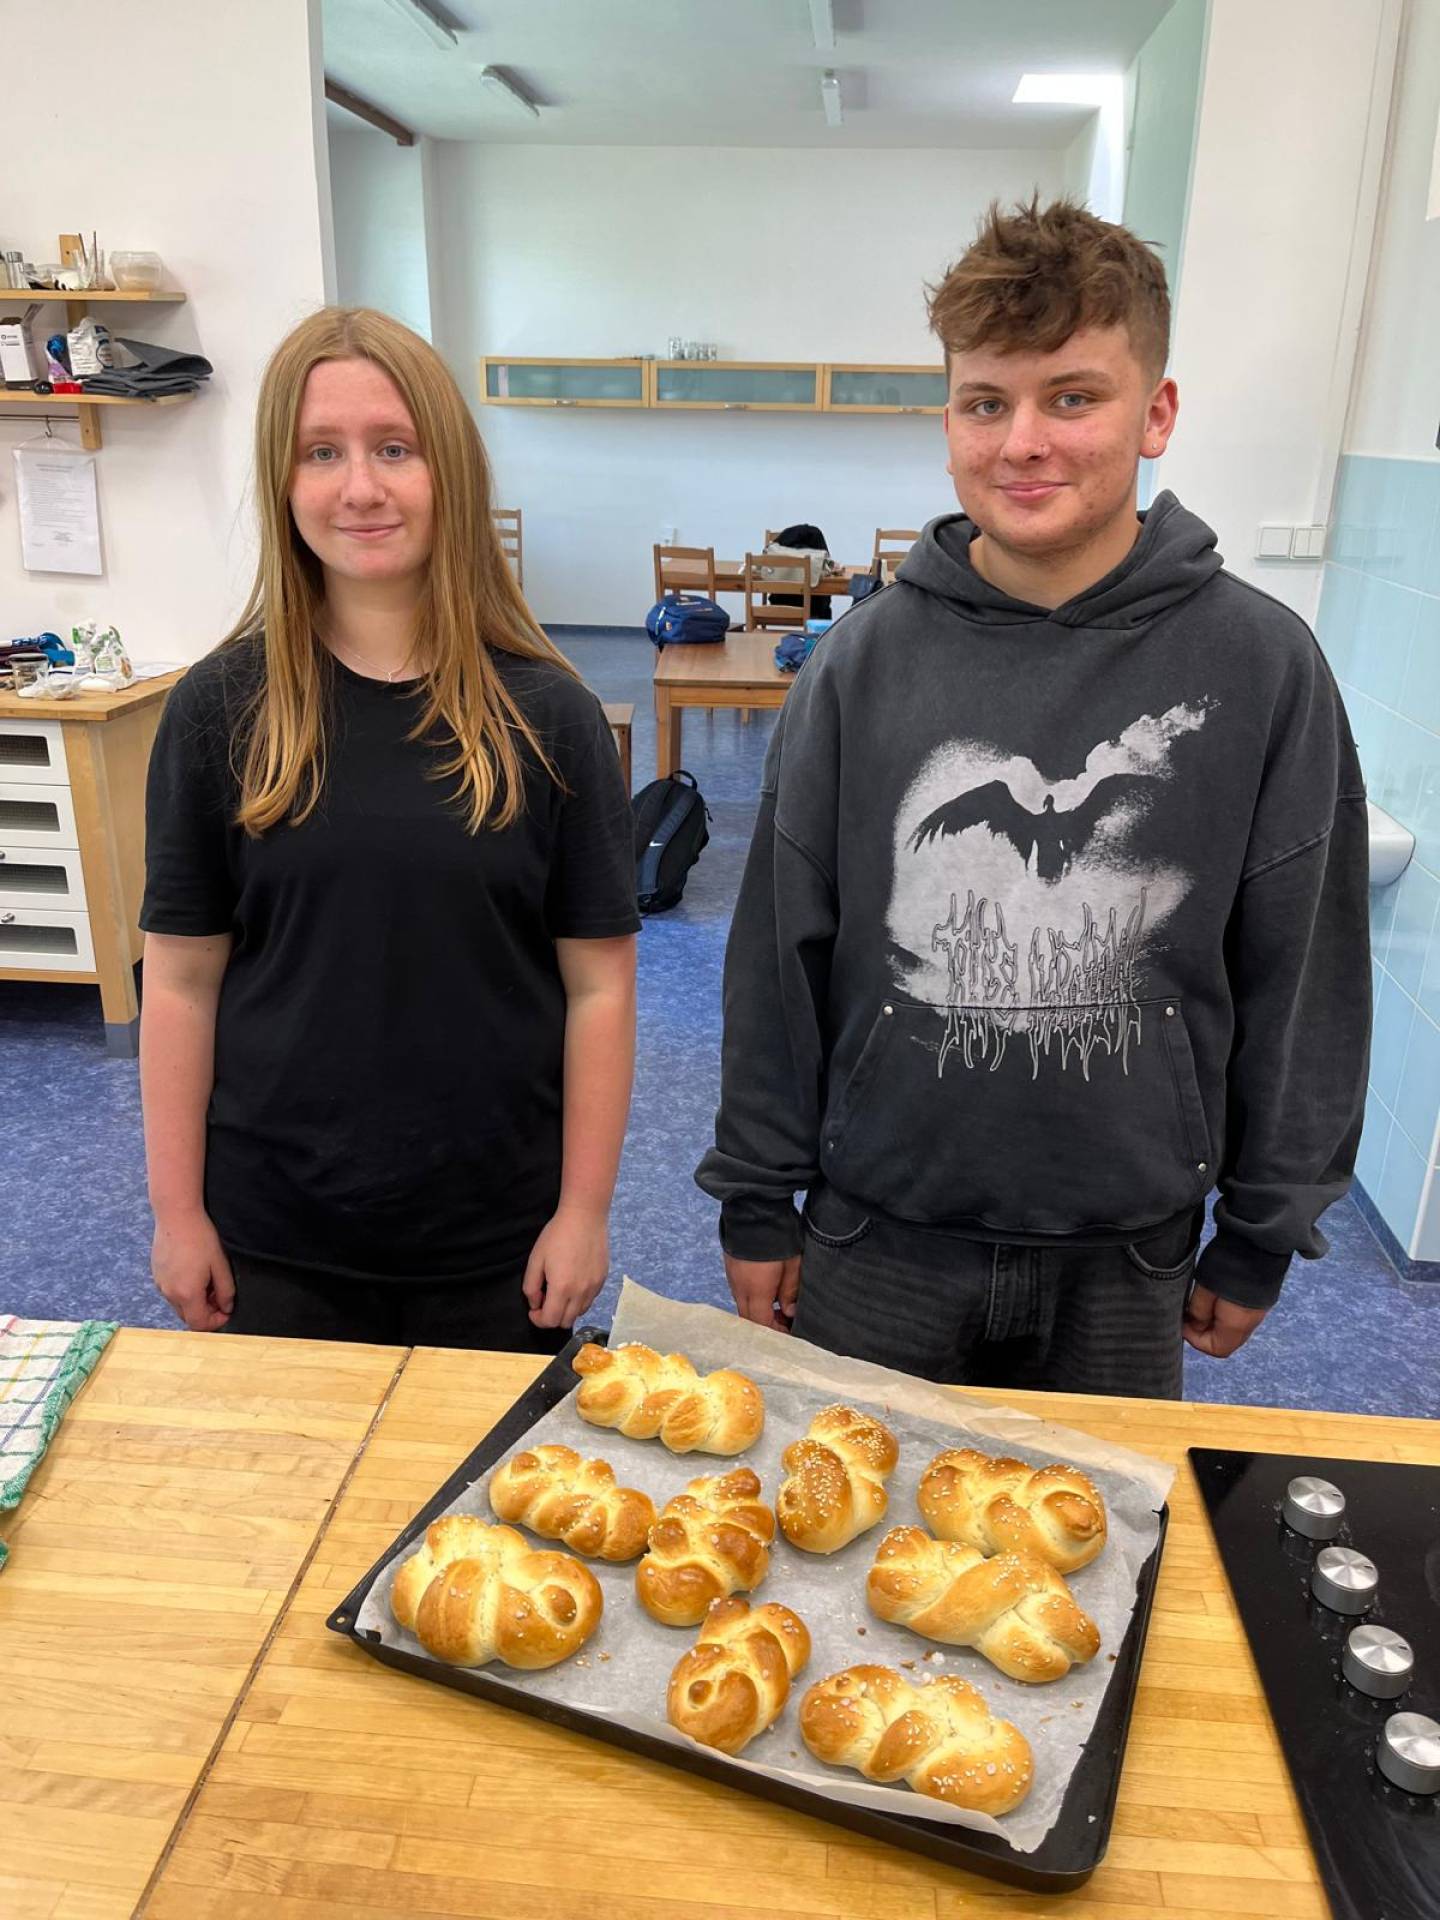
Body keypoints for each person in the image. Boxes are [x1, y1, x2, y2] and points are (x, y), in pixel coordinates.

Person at [695, 197, 1370, 1398]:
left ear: (1156, 413)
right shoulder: (861, 663)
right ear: (947, 418)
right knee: (853, 1511)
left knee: (1090, 1524)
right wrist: (757, 1193)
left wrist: (1265, 1225)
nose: (1023, 443)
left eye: (1072, 397)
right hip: (879, 1229)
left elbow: (1303, 966)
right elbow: (778, 952)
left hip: (1129, 1252)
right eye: (984, 402)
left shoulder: (1262, 666)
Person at [140, 308, 639, 1351]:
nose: (359, 487)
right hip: (275, 1235)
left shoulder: (551, 719)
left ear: (448, 469)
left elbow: (599, 988)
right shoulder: (217, 711)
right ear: (283, 483)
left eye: (394, 449)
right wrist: (178, 1215)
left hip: (496, 1237)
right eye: (321, 452)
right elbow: (181, 983)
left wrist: (583, 1211)